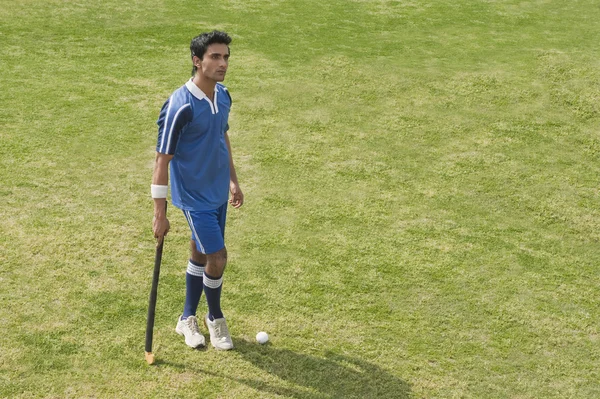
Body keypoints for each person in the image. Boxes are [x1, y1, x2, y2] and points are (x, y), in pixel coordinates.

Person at [151, 30, 243, 351]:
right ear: (196, 61)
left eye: (226, 57)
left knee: (201, 253)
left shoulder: (224, 95)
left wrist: (233, 179)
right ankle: (214, 317)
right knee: (218, 256)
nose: (223, 63)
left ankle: (186, 317)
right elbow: (162, 161)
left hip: (218, 192)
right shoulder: (180, 105)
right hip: (194, 198)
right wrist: (159, 215)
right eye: (215, 57)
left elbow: (222, 137)